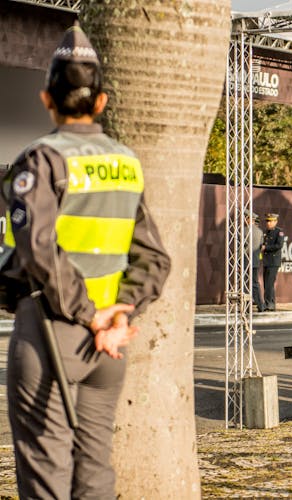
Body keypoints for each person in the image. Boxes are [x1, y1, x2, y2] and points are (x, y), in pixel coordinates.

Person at [1, 24, 171, 499]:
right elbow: (155, 258)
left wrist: (87, 313)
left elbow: (37, 247)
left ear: (46, 99)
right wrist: (120, 315)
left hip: (51, 333)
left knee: (46, 477)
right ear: (101, 102)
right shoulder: (126, 163)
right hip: (108, 348)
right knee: (95, 474)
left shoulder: (41, 160)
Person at [261, 212, 284, 311]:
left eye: (270, 221)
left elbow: (279, 245)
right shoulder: (266, 232)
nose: (268, 223)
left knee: (269, 283)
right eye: (267, 221)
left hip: (273, 262)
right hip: (266, 261)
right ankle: (271, 303)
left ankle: (268, 304)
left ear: (275, 221)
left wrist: (266, 247)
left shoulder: (279, 232)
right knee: (267, 283)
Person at [249, 212, 264, 310]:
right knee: (255, 283)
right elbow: (261, 247)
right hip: (255, 261)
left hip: (246, 262)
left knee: (245, 284)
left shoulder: (244, 230)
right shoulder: (260, 232)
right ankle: (260, 305)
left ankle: (245, 306)